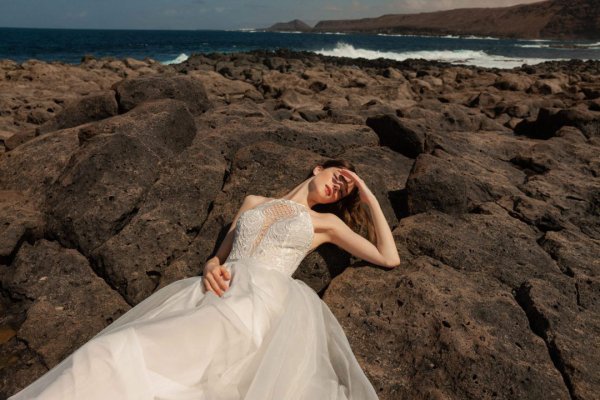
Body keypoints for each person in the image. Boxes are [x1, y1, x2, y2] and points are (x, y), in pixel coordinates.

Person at [9, 159, 400, 400]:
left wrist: (367, 194)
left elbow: (389, 258)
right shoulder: (253, 202)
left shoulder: (325, 222)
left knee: (130, 360)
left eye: (343, 190)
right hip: (211, 292)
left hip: (256, 304)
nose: (337, 188)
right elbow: (222, 253)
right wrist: (211, 265)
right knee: (106, 352)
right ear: (319, 168)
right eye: (338, 177)